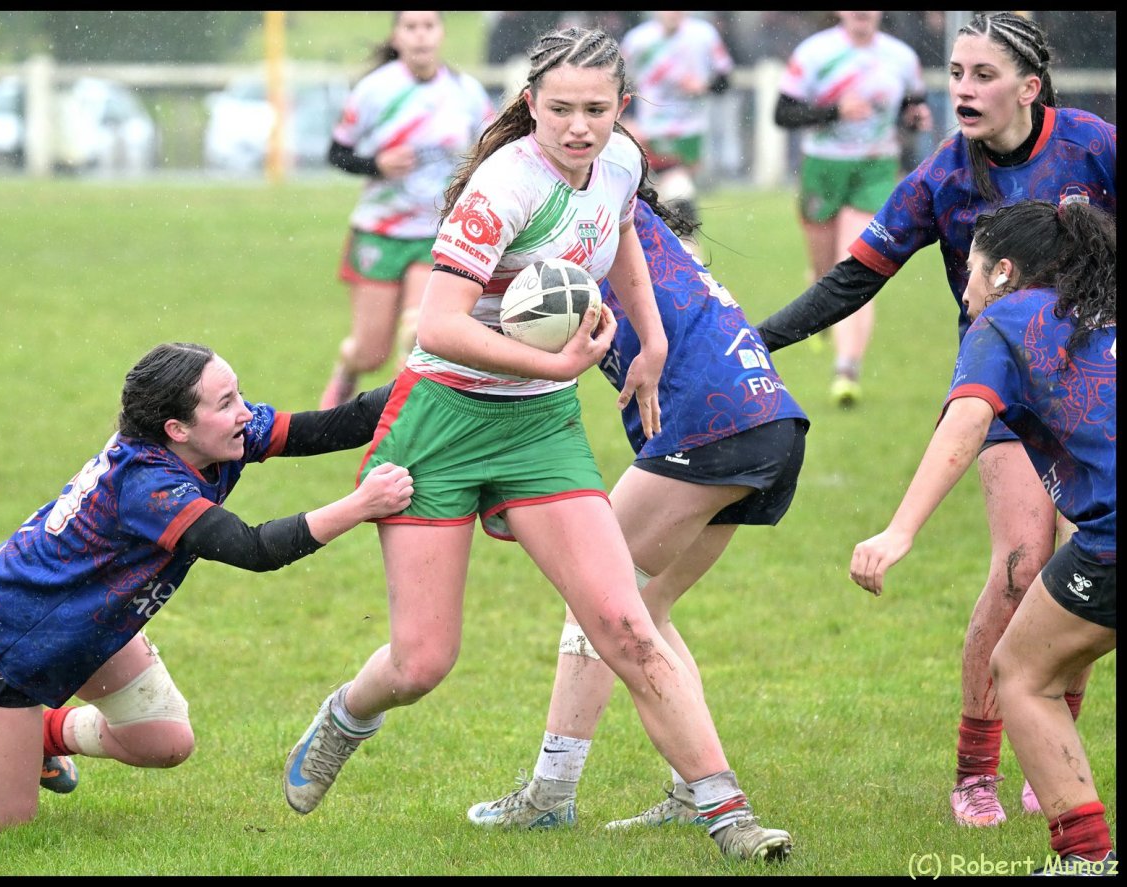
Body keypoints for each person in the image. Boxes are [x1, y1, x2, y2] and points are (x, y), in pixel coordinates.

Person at [282, 27, 792, 863]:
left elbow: (623, 233)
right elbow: (438, 325)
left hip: (540, 428)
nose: (579, 127)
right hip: (441, 421)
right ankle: (345, 716)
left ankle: (726, 813)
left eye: (596, 109)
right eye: (559, 109)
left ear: (621, 107)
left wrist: (651, 338)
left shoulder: (622, 159)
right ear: (529, 105)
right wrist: (552, 360)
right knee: (421, 661)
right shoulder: (503, 188)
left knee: (624, 621)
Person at [753, 11, 1115, 828]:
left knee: (1085, 548)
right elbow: (852, 278)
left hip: (1095, 381)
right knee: (1022, 563)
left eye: (981, 76)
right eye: (953, 73)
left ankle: (1050, 745)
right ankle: (975, 770)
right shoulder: (942, 178)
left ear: (1028, 87)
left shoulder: (1091, 143)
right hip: (999, 387)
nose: (962, 89)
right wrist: (757, 339)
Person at [0, 342, 414, 830]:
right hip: (6, 634)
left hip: (90, 624)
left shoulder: (210, 439)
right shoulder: (148, 486)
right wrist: (360, 505)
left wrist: (434, 374)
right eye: (226, 403)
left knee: (166, 744)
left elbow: (342, 423)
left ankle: (42, 735)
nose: (245, 413)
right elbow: (253, 550)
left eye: (238, 394)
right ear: (176, 429)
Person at [464, 196, 809, 832]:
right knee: (647, 607)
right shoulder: (626, 228)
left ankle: (549, 795)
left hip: (710, 423)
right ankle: (688, 791)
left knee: (596, 599)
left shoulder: (581, 223)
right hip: (771, 420)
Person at [850, 199, 1116, 875]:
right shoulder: (1101, 306)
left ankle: (1084, 858)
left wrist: (899, 529)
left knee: (1021, 673)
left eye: (965, 269)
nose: (961, 286)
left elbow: (967, 420)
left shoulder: (1000, 321)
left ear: (1000, 271)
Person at [318, 11, 494, 410]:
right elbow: (336, 153)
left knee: (417, 334)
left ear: (441, 33)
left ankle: (399, 430)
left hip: (435, 234)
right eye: (411, 27)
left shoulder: (466, 93)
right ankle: (347, 368)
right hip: (379, 231)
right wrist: (376, 164)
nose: (420, 36)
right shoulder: (374, 90)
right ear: (396, 35)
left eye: (428, 26)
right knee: (370, 352)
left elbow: (490, 152)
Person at [774, 11, 932, 408]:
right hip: (823, 167)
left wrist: (915, 119)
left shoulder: (901, 57)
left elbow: (912, 109)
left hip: (876, 167)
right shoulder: (815, 52)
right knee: (826, 272)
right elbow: (783, 114)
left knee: (857, 263)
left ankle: (847, 369)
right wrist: (833, 112)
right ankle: (822, 310)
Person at [619, 12, 734, 228]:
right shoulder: (638, 40)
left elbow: (725, 80)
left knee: (675, 196)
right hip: (650, 132)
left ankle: (678, 244)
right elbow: (617, 81)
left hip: (690, 132)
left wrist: (704, 86)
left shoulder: (703, 35)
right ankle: (681, 244)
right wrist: (626, 119)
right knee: (675, 196)